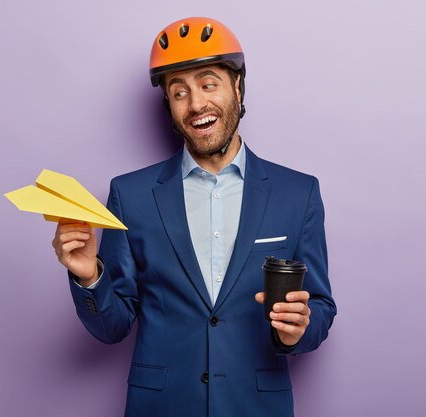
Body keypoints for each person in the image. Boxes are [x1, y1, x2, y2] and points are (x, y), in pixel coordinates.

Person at [52, 17, 336, 417]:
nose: (196, 104)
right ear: (168, 105)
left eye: (208, 84)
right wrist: (89, 276)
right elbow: (111, 327)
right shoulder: (130, 195)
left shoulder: (298, 193)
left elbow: (321, 305)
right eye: (179, 91)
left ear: (237, 87)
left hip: (255, 406)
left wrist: (301, 328)